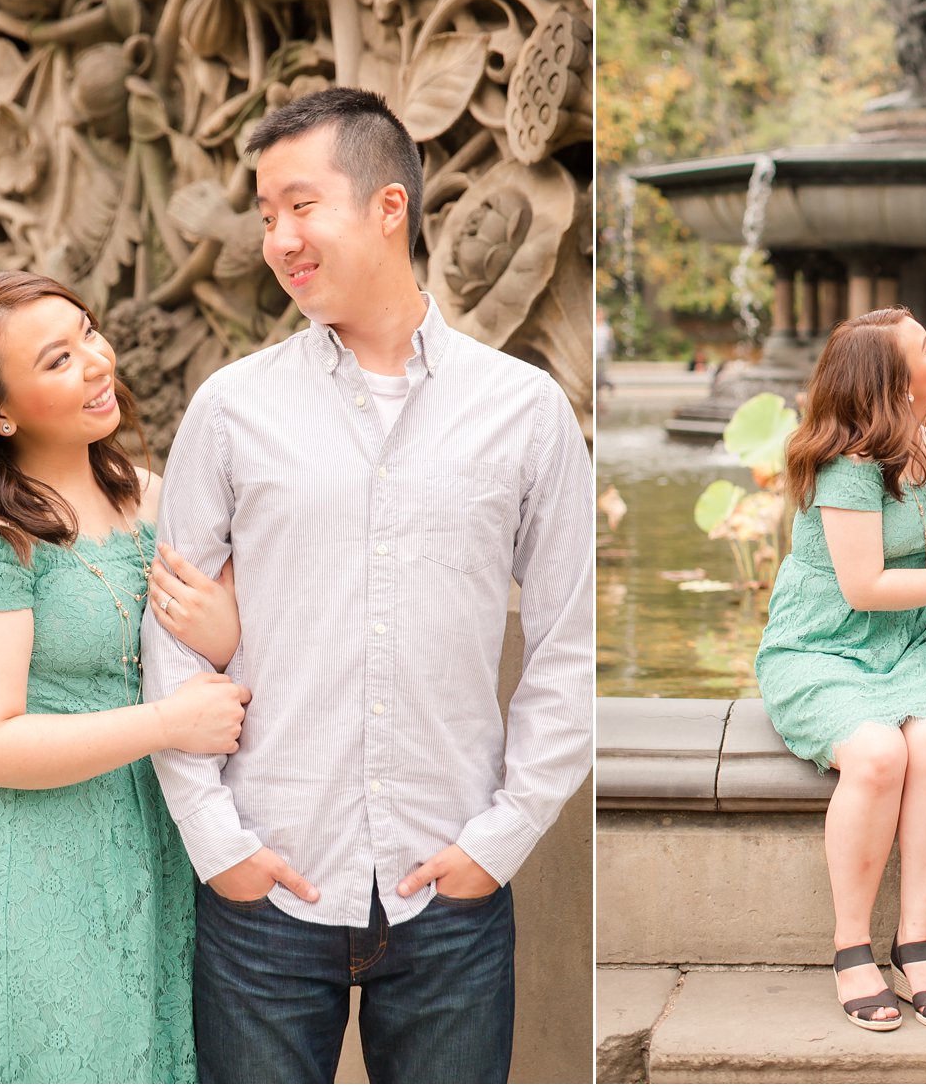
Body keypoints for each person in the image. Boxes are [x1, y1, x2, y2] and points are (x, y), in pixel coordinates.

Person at [141, 87, 593, 1084]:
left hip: (450, 896)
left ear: (388, 207)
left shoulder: (522, 410)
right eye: (265, 216)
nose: (278, 237)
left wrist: (503, 834)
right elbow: (169, 639)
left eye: (300, 205)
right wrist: (217, 841)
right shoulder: (230, 411)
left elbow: (570, 645)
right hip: (266, 884)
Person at [0, 271, 251, 1084]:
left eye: (89, 332)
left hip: (158, 856)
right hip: (35, 870)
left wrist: (225, 635)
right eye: (58, 358)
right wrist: (165, 724)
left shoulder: (153, 499)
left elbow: (224, 650)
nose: (97, 361)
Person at [754, 307, 926, 1032]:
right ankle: (850, 947)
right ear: (895, 382)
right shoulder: (849, 463)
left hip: (911, 642)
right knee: (875, 755)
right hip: (826, 643)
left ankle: (915, 943)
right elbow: (863, 586)